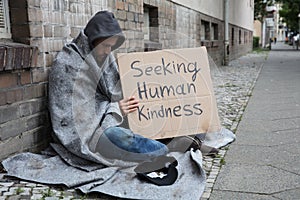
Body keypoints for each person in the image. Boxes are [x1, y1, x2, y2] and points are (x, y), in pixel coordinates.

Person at [48, 11, 217, 167]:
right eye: (106, 45)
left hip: (110, 119)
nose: (108, 51)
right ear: (92, 39)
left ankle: (181, 137)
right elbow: (77, 123)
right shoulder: (67, 65)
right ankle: (168, 149)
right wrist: (116, 109)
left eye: (112, 47)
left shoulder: (103, 56)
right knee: (115, 137)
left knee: (146, 114)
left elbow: (118, 90)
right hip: (92, 135)